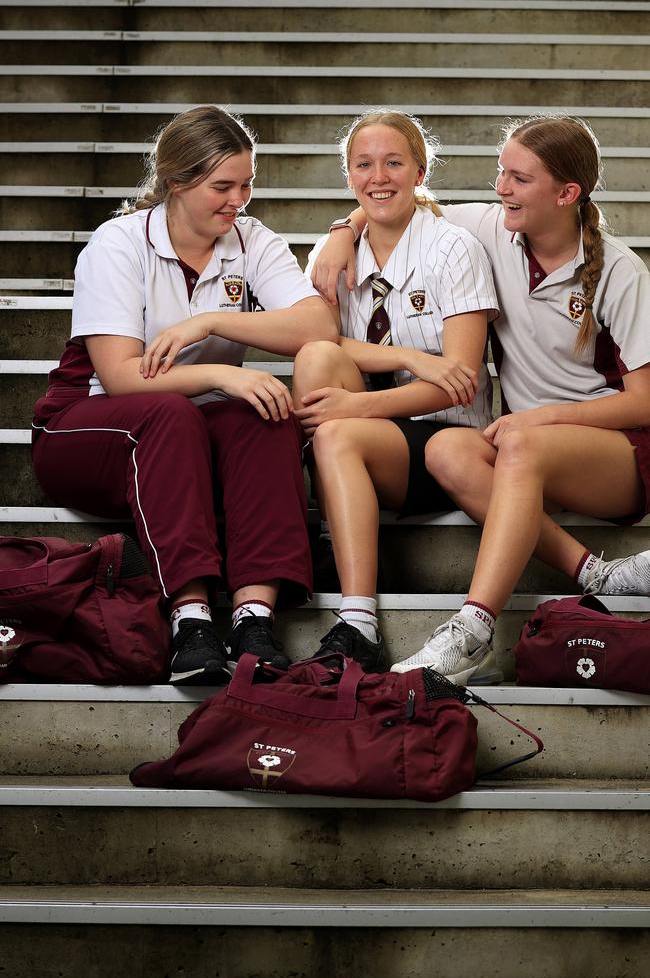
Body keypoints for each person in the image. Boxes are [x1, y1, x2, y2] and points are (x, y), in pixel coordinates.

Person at [313, 114, 650, 684]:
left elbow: (643, 401)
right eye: (501, 172)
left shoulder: (620, 271)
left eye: (518, 179)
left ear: (566, 194)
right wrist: (343, 232)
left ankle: (473, 629)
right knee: (449, 451)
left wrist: (542, 419)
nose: (500, 188)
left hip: (616, 453)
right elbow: (394, 200)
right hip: (526, 444)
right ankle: (596, 574)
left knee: (518, 440)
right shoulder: (494, 227)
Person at [31, 105, 337, 685]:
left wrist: (212, 322)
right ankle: (191, 621)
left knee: (265, 414)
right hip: (87, 426)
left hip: (192, 429)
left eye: (246, 183)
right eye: (222, 186)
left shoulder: (251, 240)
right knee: (176, 413)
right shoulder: (118, 243)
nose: (238, 199)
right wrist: (220, 375)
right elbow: (122, 377)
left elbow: (317, 325)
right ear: (176, 181)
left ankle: (253, 618)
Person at [292, 109, 499, 673]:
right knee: (316, 354)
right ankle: (339, 546)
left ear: (420, 168)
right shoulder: (333, 254)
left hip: (443, 444)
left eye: (393, 162)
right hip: (373, 435)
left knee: (335, 434)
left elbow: (458, 382)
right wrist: (408, 357)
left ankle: (356, 614)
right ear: (349, 175)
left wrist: (357, 407)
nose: (378, 176)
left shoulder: (452, 248)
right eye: (364, 164)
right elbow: (321, 338)